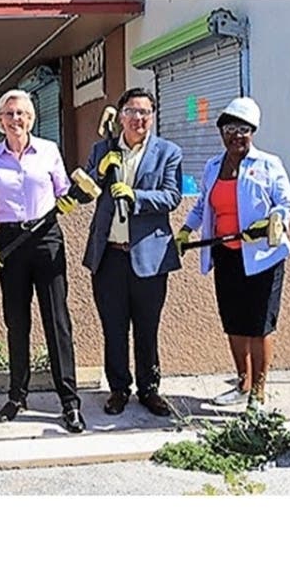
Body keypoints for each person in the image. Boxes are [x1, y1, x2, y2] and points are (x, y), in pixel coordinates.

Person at [0, 89, 85, 433]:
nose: (15, 119)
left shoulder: (49, 151)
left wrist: (71, 199)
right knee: (17, 322)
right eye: (8, 114)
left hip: (47, 238)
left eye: (20, 113)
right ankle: (17, 396)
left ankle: (70, 402)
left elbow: (64, 191)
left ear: (31, 118)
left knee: (57, 321)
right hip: (10, 242)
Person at [177, 97, 290, 411]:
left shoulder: (268, 164)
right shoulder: (213, 166)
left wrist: (270, 222)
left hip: (262, 258)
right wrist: (186, 230)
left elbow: (285, 204)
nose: (236, 135)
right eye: (230, 129)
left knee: (259, 325)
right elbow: (203, 205)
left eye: (243, 129)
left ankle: (258, 393)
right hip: (226, 254)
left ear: (252, 132)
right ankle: (242, 383)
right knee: (233, 323)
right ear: (221, 133)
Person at [82, 87, 183, 417]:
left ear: (152, 117)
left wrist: (136, 196)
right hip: (109, 255)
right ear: (120, 115)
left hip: (149, 256)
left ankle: (150, 389)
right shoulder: (102, 150)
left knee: (147, 327)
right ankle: (118, 389)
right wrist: (99, 173)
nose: (139, 118)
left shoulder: (168, 152)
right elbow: (84, 194)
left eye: (145, 112)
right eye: (132, 111)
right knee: (113, 327)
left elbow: (171, 197)